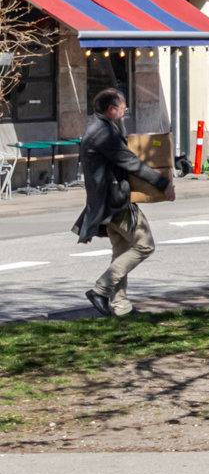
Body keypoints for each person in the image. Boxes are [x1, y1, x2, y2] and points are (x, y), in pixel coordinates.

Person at [75, 87, 160, 316]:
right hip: (115, 203)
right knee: (144, 245)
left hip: (105, 202)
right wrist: (162, 183)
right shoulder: (103, 133)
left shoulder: (98, 128)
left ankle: (121, 306)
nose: (125, 111)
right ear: (112, 109)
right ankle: (100, 290)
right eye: (123, 108)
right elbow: (130, 162)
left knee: (121, 250)